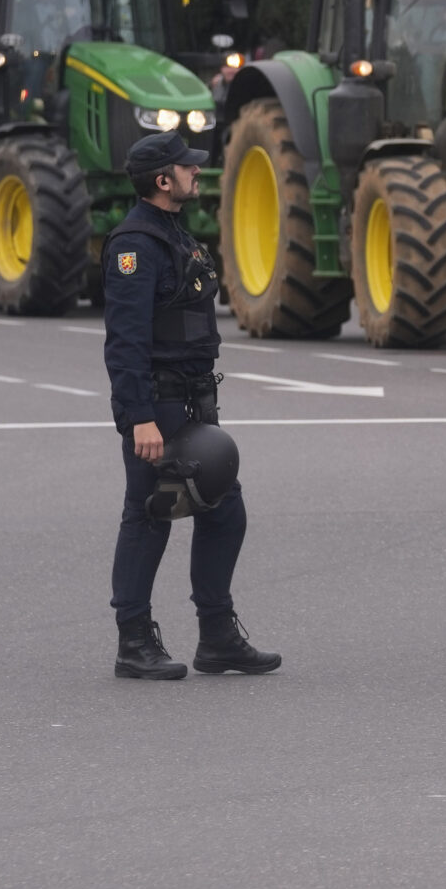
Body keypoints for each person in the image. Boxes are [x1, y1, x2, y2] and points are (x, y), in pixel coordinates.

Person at [104, 130, 280, 681]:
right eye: (187, 167)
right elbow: (125, 341)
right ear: (163, 180)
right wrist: (139, 418)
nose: (196, 172)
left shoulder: (175, 234)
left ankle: (218, 636)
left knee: (223, 508)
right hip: (159, 403)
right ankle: (134, 641)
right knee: (150, 514)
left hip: (195, 399)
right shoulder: (135, 244)